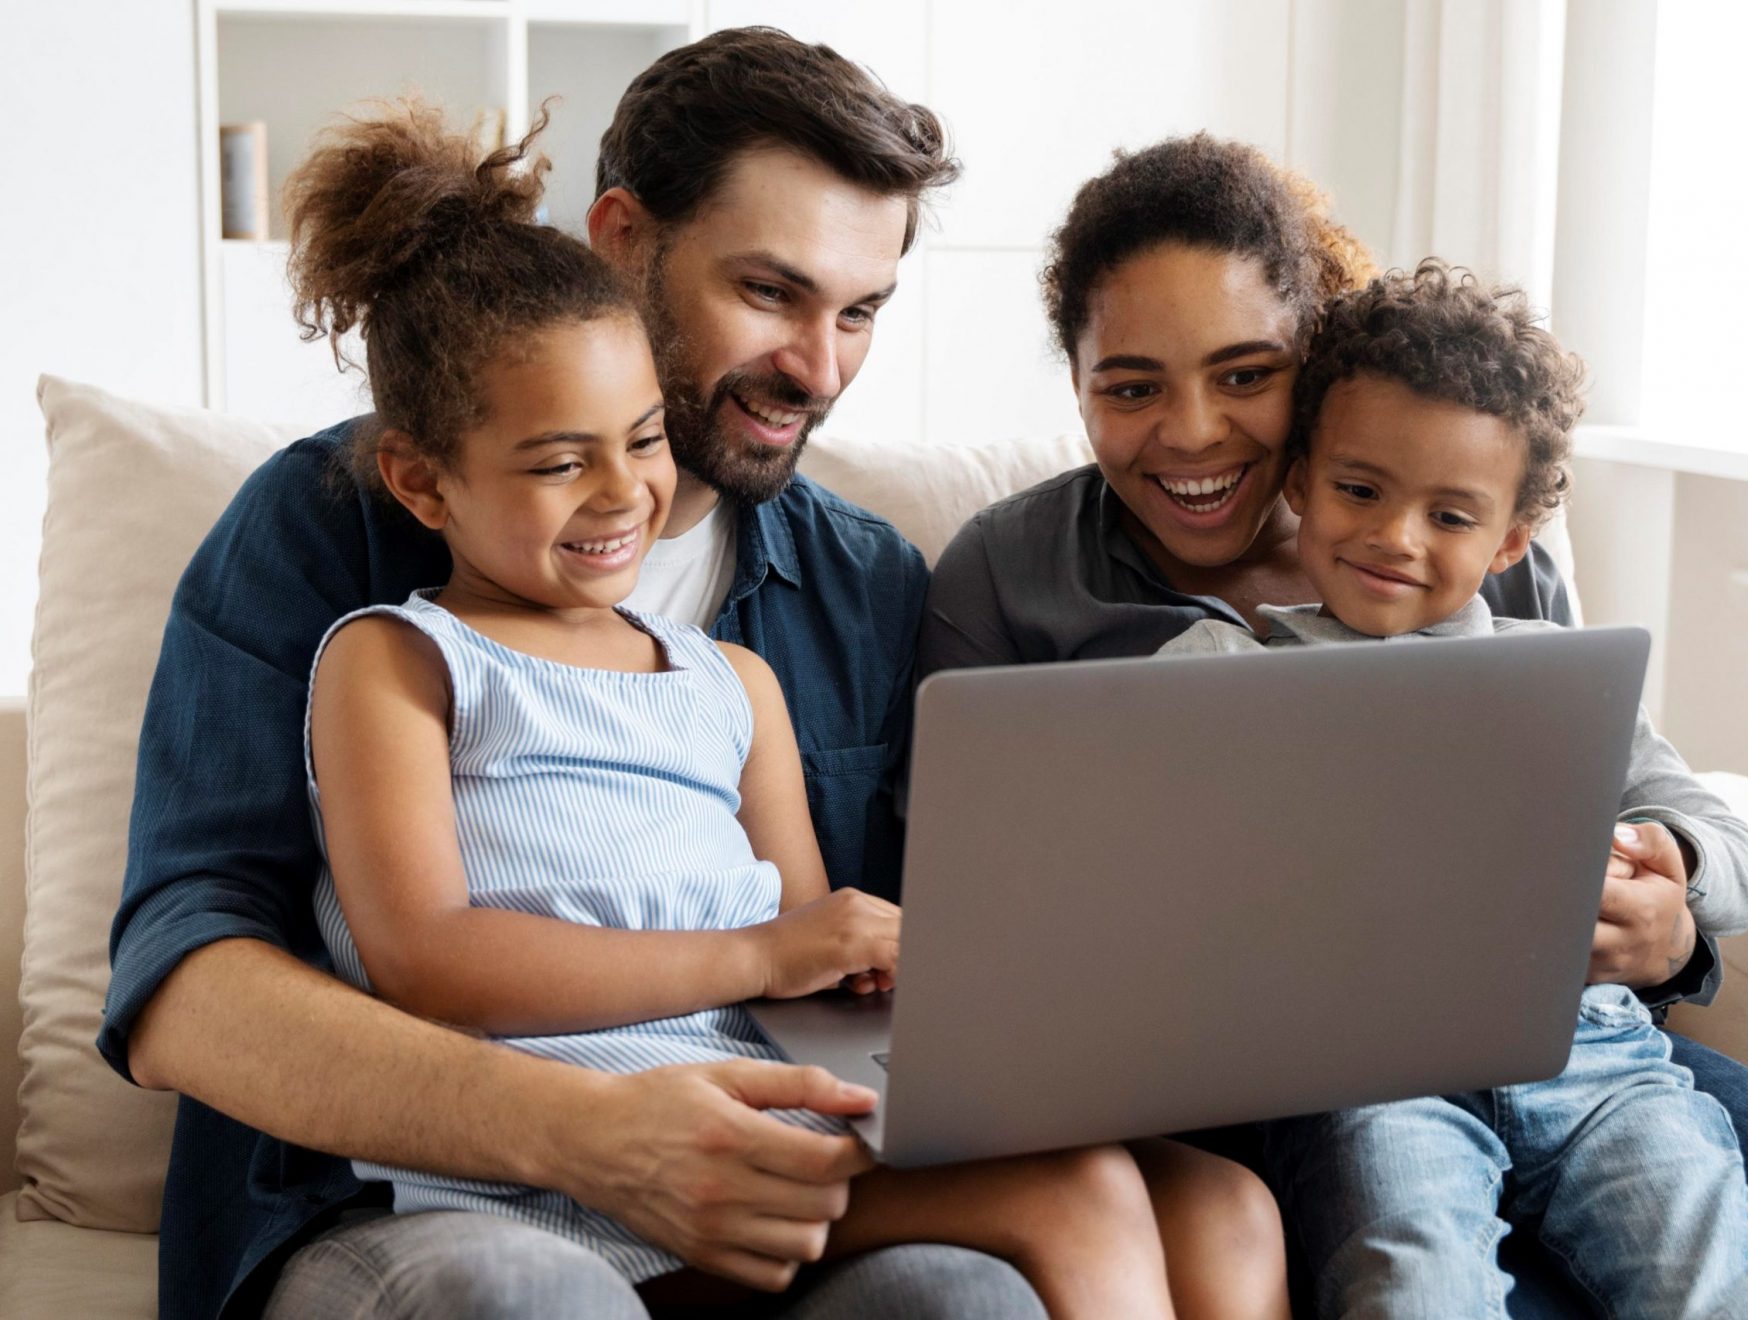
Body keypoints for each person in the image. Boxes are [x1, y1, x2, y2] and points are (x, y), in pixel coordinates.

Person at [921, 133, 1748, 1319]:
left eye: (1244, 374)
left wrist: (1669, 917)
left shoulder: (1483, 568)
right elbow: (984, 903)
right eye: (1130, 386)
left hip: (1580, 1052)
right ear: (1074, 381)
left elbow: (1641, 805)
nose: (1196, 433)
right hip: (1312, 1086)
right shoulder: (1025, 579)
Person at [281, 101, 1288, 1320]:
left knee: (1226, 1200)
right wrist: (768, 952)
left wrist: (945, 983)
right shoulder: (401, 660)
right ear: (418, 480)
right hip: (556, 1146)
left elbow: (821, 962)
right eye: (559, 461)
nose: (622, 492)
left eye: (644, 437)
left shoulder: (729, 681)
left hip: (768, 1095)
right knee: (1077, 1197)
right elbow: (426, 960)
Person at [101, 28, 1048, 1320]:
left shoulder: (864, 586)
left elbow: (843, 967)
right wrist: (590, 1137)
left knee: (967, 1295)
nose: (820, 371)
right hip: (399, 1202)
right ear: (621, 237)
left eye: (863, 311)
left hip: (757, 1185)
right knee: (518, 1292)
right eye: (771, 293)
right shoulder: (333, 533)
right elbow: (184, 987)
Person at [1159, 259, 1748, 1317]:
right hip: (1372, 1077)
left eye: (1450, 517)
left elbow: (1737, 850)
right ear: (1301, 481)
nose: (1396, 538)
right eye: (1361, 490)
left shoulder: (1560, 673)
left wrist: (1673, 862)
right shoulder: (1219, 669)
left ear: (1510, 539)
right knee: (1415, 1282)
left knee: (1721, 1279)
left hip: (1593, 1056)